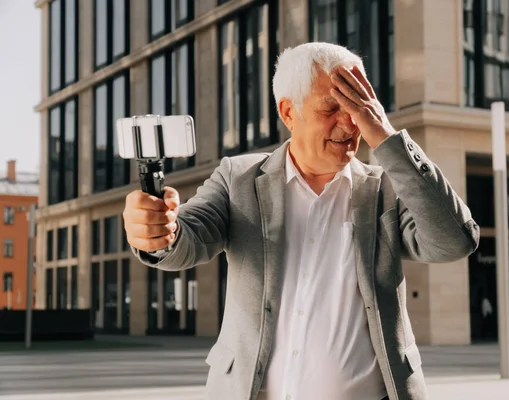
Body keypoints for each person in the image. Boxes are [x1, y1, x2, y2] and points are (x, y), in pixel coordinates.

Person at [123, 42, 480, 400]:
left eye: (358, 107)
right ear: (288, 112)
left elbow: (453, 240)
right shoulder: (238, 178)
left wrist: (386, 137)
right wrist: (157, 232)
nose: (349, 122)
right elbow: (187, 239)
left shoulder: (388, 186)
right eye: (331, 107)